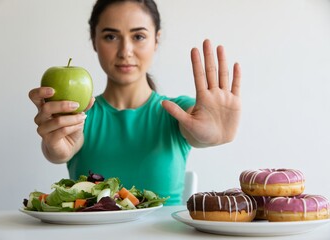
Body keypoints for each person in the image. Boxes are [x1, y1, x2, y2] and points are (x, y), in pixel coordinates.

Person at [28, 0, 241, 205]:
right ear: (94, 40)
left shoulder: (177, 112)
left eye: (138, 36)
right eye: (111, 36)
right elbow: (57, 151)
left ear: (156, 40)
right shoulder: (79, 116)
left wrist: (215, 135)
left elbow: (199, 130)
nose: (125, 51)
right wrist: (54, 147)